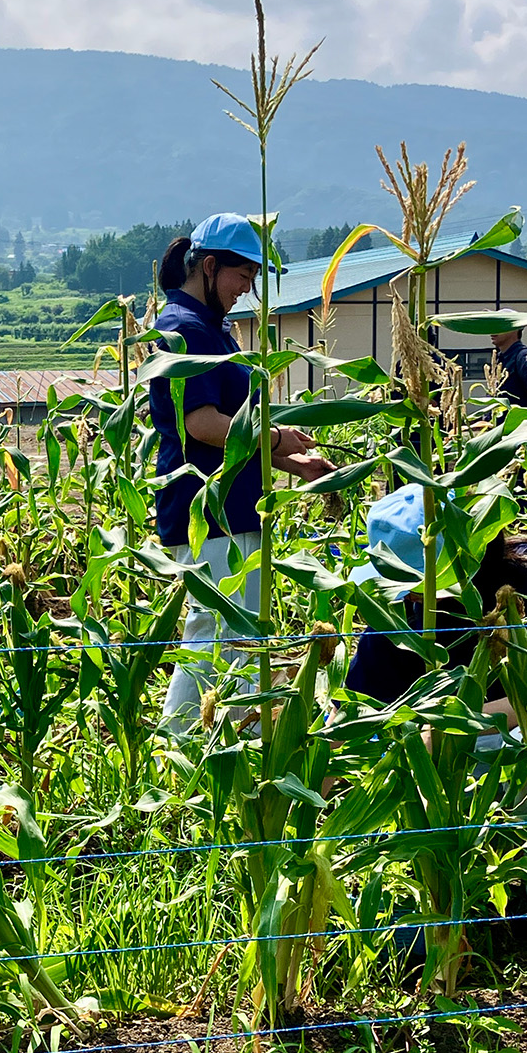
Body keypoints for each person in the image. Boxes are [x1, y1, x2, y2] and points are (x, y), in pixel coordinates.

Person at [149, 213, 335, 727]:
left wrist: (299, 464)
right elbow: (204, 424)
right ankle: (181, 742)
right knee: (214, 629)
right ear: (209, 267)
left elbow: (242, 433)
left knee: (240, 631)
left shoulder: (216, 331)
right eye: (241, 278)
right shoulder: (183, 333)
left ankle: (230, 741)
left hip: (235, 508)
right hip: (206, 510)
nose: (245, 291)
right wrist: (277, 438)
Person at [342, 484, 527, 709]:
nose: (407, 596)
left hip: (525, 737)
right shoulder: (396, 611)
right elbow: (350, 709)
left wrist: (446, 729)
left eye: (412, 581)